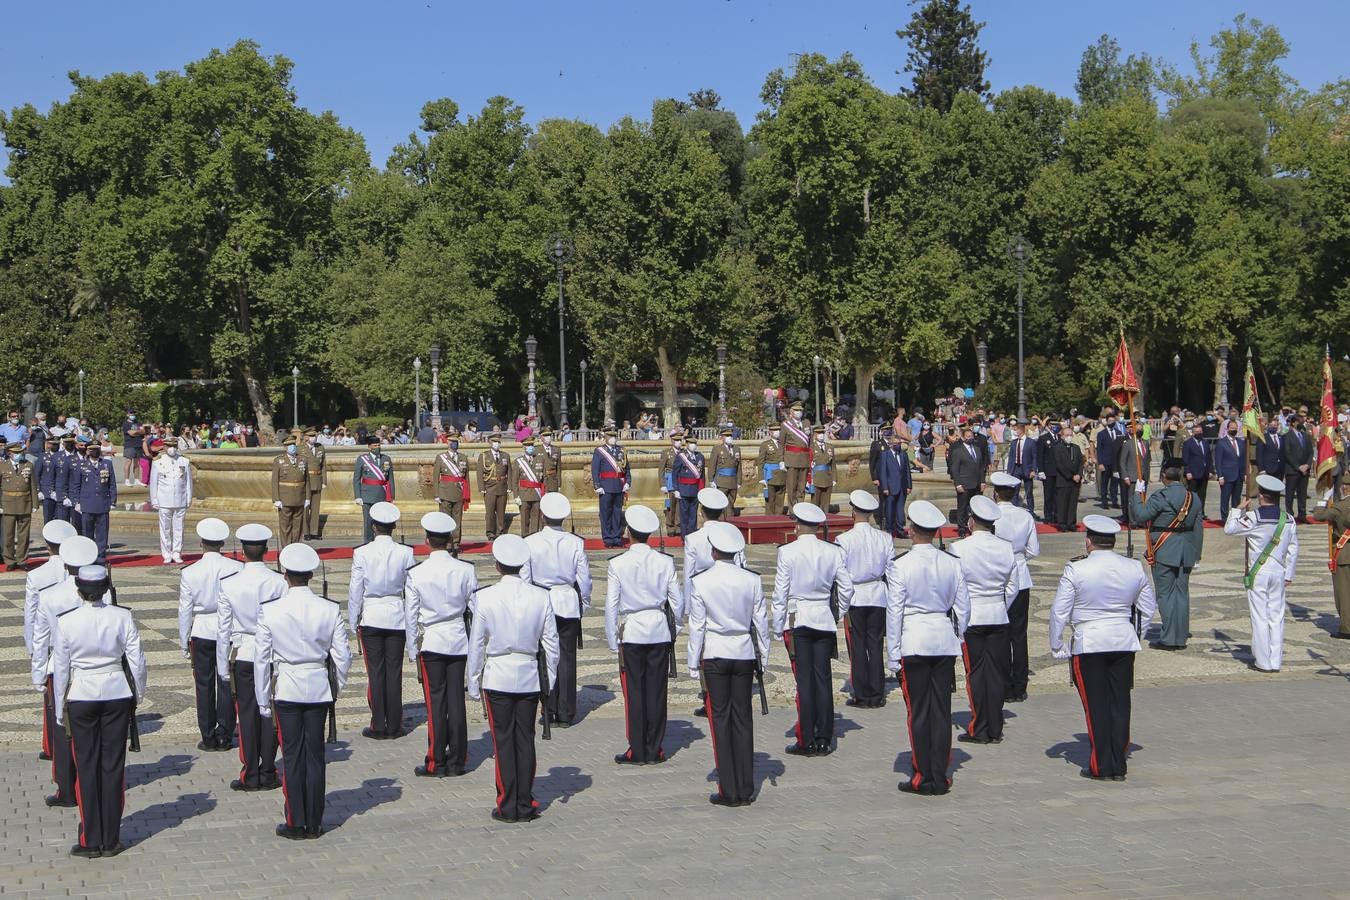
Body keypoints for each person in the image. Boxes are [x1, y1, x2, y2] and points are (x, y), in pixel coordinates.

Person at [1049, 514, 1157, 781]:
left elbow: (1059, 611)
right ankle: (1118, 763)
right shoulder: (1133, 567)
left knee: (1096, 704)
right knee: (1120, 702)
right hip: (1122, 640)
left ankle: (1102, 764)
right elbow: (1148, 608)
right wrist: (1135, 634)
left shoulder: (1076, 569)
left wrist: (1057, 643)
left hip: (1090, 641)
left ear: (1088, 542)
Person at [255, 542, 352, 839]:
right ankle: (314, 820)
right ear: (310, 574)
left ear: (285, 574)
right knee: (315, 755)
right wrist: (335, 686)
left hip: (287, 687)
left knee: (293, 755)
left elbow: (261, 659)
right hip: (318, 686)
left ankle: (296, 820)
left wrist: (262, 700)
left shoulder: (270, 611)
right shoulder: (329, 608)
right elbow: (343, 655)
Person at [52, 563, 146, 858]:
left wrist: (59, 708)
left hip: (81, 694)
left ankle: (90, 839)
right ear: (106, 589)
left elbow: (61, 668)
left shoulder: (66, 622)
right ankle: (111, 839)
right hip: (117, 692)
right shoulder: (122, 616)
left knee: (87, 766)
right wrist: (138, 695)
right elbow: (137, 660)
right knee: (112, 767)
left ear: (79, 590)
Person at [466, 534, 560, 823]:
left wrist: (473, 680)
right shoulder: (541, 596)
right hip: (529, 675)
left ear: (497, 566)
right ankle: (525, 799)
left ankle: (508, 802)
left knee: (503, 742)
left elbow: (477, 644)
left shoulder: (485, 597)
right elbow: (552, 645)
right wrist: (550, 682)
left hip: (498, 677)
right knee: (525, 739)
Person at [886, 500, 970, 795]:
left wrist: (893, 654)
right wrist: (957, 636)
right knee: (941, 710)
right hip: (943, 640)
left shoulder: (900, 565)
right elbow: (964, 609)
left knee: (919, 711)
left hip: (915, 640)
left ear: (910, 530)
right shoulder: (952, 563)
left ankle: (924, 774)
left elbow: (894, 612)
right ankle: (940, 772)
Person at [687, 521, 769, 806]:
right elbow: (761, 624)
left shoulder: (701, 581)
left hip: (715, 652)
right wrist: (764, 658)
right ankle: (745, 788)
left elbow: (697, 626)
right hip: (744, 651)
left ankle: (728, 788)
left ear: (713, 551)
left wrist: (692, 662)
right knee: (743, 719)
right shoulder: (752, 579)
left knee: (721, 720)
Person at [773, 502, 854, 756]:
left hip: (799, 618)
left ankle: (806, 737)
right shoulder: (832, 551)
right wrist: (837, 613)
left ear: (798, 526)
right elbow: (847, 588)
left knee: (804, 681)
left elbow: (780, 593)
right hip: (823, 617)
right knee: (823, 679)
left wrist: (778, 624)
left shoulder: (788, 552)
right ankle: (824, 737)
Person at [605, 505, 682, 764]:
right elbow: (677, 603)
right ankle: (655, 748)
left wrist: (612, 638)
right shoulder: (665, 561)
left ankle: (637, 748)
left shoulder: (618, 563)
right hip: (658, 629)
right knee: (657, 692)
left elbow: (611, 605)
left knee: (635, 693)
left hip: (633, 631)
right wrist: (675, 629)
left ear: (628, 532)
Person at [31, 535, 102, 807]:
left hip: (57, 667)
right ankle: (88, 781)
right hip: (91, 666)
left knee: (62, 731)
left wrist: (38, 674)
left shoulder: (50, 595)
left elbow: (40, 639)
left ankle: (66, 788)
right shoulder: (103, 593)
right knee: (90, 730)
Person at [404, 511, 478, 777]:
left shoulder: (417, 573)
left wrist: (412, 649)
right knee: (456, 699)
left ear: (427, 540)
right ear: (449, 540)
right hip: (457, 637)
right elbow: (475, 610)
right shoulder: (466, 569)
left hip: (432, 639)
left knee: (436, 703)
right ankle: (458, 759)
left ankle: (435, 759)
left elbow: (410, 615)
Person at [217, 523, 287, 791]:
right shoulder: (278, 582)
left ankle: (251, 770)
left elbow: (223, 629)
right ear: (266, 551)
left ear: (242, 552)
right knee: (268, 711)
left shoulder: (230, 584)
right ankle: (268, 768)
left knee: (246, 712)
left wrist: (222, 666)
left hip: (244, 652)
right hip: (271, 653)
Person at [521, 493, 592, 726]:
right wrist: (584, 602)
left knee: (544, 656)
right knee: (567, 657)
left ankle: (548, 707)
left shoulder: (530, 542)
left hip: (542, 600)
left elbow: (525, 578)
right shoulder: (576, 542)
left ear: (542, 515)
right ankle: (566, 712)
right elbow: (584, 579)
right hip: (567, 601)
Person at [950, 495, 1016, 745]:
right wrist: (999, 605)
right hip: (998, 615)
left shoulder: (959, 548)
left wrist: (961, 615)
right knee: (997, 673)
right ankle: (995, 726)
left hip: (972, 616)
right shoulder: (1005, 547)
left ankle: (980, 726)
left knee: (976, 674)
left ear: (971, 522)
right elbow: (1012, 587)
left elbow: (956, 587)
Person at [350, 501, 415, 739]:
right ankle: (395, 724)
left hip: (372, 613)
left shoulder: (362, 552)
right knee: (394, 671)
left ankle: (378, 722)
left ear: (374, 526)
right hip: (396, 613)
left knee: (375, 671)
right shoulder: (405, 552)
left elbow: (355, 589)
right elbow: (411, 590)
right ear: (393, 527)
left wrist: (353, 617)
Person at [179, 517, 243, 750]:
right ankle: (225, 733)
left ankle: (207, 735)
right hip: (229, 629)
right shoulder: (236, 567)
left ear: (201, 544)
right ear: (222, 544)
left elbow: (184, 610)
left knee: (204, 685)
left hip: (202, 629)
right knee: (225, 681)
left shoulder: (190, 572)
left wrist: (183, 641)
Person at [1224, 474, 1299, 672]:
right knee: (1277, 616)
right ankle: (1275, 661)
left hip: (1259, 572)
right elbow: (1293, 548)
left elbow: (1229, 529)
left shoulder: (1255, 517)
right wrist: (1289, 574)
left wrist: (1236, 510)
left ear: (1261, 496)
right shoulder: (1288, 519)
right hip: (1279, 572)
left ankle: (1263, 662)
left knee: (1259, 616)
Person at [1130, 465, 1203, 651]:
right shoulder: (1193, 497)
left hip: (1165, 549)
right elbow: (1198, 528)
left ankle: (1171, 638)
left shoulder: (1161, 497)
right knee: (1182, 594)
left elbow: (1140, 516)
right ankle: (1181, 632)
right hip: (1186, 550)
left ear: (1164, 477)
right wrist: (1196, 555)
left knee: (1166, 595)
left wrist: (1138, 495)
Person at [836, 490, 891, 708]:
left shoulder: (844, 539)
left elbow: (840, 573)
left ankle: (861, 693)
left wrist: (841, 604)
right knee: (876, 644)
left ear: (853, 511)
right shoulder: (884, 538)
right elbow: (890, 570)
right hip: (877, 594)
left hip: (855, 596)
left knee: (857, 645)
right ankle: (877, 692)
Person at [989, 472, 1039, 702]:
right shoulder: (1025, 516)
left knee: (1000, 633)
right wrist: (1018, 558)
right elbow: (1033, 550)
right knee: (1019, 635)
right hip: (1020, 576)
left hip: (997, 575)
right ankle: (1019, 685)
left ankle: (1003, 681)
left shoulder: (992, 516)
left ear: (995, 493)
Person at [1313, 480, 1350, 639]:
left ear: (1344, 488)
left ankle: (1347, 628)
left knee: (1344, 594)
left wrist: (1323, 500)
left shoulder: (1340, 507)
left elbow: (1318, 515)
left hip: (1345, 554)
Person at [148, 436, 192, 564]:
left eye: (174, 446)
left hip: (180, 499)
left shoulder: (184, 461)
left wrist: (188, 498)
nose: (172, 449)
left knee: (179, 528)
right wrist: (154, 500)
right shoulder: (158, 462)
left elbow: (188, 482)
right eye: (169, 446)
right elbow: (154, 483)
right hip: (164, 500)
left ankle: (177, 552)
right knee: (165, 528)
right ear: (164, 447)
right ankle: (166, 553)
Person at [72, 440, 116, 559]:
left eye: (97, 449)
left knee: (102, 533)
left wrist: (113, 501)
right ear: (88, 451)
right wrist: (76, 502)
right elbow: (76, 485)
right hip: (87, 503)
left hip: (102, 502)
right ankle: (88, 556)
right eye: (92, 449)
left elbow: (112, 484)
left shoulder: (107, 464)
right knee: (87, 532)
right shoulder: (81, 465)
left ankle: (101, 556)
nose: (94, 451)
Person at [1, 440, 40, 570]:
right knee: (8, 535)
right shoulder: (2, 466)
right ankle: (10, 560)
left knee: (24, 535)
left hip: (25, 503)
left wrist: (35, 503)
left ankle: (22, 560)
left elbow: (33, 485)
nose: (19, 455)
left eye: (20, 452)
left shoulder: (28, 465)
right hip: (8, 504)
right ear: (9, 453)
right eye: (16, 453)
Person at [591, 427, 630, 548]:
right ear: (606, 438)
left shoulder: (621, 451)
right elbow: (595, 469)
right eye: (611, 436)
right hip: (605, 487)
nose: (613, 439)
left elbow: (627, 468)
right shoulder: (599, 451)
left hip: (619, 486)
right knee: (606, 514)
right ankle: (608, 538)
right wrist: (597, 485)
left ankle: (617, 538)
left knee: (617, 513)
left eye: (614, 436)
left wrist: (628, 482)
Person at [352, 435, 395, 544]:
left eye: (379, 445)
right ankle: (368, 542)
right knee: (368, 522)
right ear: (369, 447)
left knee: (382, 521)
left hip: (382, 494)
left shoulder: (386, 459)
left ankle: (381, 542)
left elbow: (390, 479)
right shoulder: (362, 459)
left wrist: (391, 496)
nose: (377, 447)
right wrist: (358, 496)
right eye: (375, 445)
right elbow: (356, 479)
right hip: (367, 495)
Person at [434, 429, 471, 552]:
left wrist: (467, 493)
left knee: (457, 519)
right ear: (447, 442)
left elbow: (466, 478)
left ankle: (456, 543)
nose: (454, 443)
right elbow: (435, 477)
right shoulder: (441, 457)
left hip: (459, 492)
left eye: (456, 441)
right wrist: (436, 494)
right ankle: (446, 543)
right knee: (445, 519)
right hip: (445, 492)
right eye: (452, 441)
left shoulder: (463, 458)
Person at [270, 435, 309, 548]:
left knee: (298, 525)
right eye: (289, 445)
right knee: (285, 525)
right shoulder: (279, 460)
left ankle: (295, 546)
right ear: (285, 447)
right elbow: (274, 481)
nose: (292, 447)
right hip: (285, 498)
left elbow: (307, 480)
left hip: (300, 497)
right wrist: (276, 499)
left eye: (293, 444)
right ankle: (286, 547)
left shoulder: (303, 459)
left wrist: (307, 498)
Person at [949, 426, 985, 536]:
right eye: (968, 436)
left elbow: (980, 467)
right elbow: (954, 469)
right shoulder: (958, 451)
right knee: (962, 507)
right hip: (964, 483)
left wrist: (982, 481)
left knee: (976, 506)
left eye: (971, 436)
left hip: (977, 483)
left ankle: (976, 526)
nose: (970, 438)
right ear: (963, 438)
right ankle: (961, 528)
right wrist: (958, 483)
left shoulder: (977, 449)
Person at [876, 431, 912, 538]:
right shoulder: (885, 455)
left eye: (900, 443)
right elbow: (882, 472)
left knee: (900, 511)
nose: (899, 446)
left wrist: (909, 486)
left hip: (902, 487)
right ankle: (889, 530)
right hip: (890, 488)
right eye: (897, 444)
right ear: (891, 444)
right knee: (890, 510)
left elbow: (907, 471)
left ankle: (900, 530)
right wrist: (885, 487)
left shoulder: (903, 454)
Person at [1054, 420, 1086, 532]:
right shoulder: (1057, 448)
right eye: (1067, 435)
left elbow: (1081, 463)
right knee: (1063, 502)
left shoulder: (1076, 448)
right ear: (1062, 436)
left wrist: (1079, 475)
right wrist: (1070, 476)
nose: (1069, 437)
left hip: (1075, 480)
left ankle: (1071, 523)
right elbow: (1059, 465)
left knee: (1073, 502)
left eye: (1070, 435)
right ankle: (1062, 523)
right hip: (1064, 479)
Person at [478, 431, 511, 541]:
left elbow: (509, 472)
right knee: (490, 512)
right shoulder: (484, 456)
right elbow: (479, 473)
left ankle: (500, 530)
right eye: (494, 442)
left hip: (502, 486)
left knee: (501, 511)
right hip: (490, 486)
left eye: (498, 442)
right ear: (490, 442)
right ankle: (490, 532)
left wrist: (509, 486)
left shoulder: (505, 455)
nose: (496, 444)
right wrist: (482, 488)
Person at [1280, 415, 1313, 520]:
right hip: (1292, 470)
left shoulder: (1306, 436)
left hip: (1305, 471)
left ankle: (1302, 515)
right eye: (1299, 422)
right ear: (1293, 423)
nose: (1301, 423)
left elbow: (1310, 452)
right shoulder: (1287, 436)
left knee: (1302, 494)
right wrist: (1298, 467)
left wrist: (1307, 465)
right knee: (1290, 494)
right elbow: (1287, 453)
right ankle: (1290, 515)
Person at [1117, 420, 1151, 524]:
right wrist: (1125, 476)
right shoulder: (1128, 444)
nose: (1140, 430)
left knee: (1141, 500)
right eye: (1138, 429)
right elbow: (1122, 462)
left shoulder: (1145, 442)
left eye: (1141, 429)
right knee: (1132, 500)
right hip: (1132, 476)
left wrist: (1147, 475)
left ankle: (1140, 520)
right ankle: (1133, 521)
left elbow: (1147, 460)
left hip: (1143, 476)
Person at [511, 437, 546, 536]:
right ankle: (525, 537)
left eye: (532, 445)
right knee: (525, 519)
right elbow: (514, 481)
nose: (530, 447)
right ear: (524, 447)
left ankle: (535, 536)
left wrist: (544, 493)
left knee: (536, 518)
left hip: (537, 494)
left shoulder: (540, 459)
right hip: (524, 494)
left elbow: (545, 478)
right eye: (528, 446)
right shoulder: (518, 461)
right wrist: (516, 496)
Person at [780, 401, 812, 507]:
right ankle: (793, 509)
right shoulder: (785, 425)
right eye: (797, 410)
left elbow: (810, 442)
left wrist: (812, 458)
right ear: (791, 411)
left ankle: (801, 507)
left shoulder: (807, 422)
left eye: (800, 410)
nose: (799, 412)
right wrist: (781, 460)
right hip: (792, 459)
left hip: (804, 459)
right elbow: (781, 444)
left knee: (802, 487)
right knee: (792, 486)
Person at [1213, 420, 1246, 520]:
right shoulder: (1221, 443)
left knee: (1236, 499)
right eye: (1232, 428)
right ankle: (1225, 519)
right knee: (1225, 498)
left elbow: (1243, 459)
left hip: (1238, 475)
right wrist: (1220, 476)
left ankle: (1235, 518)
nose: (1234, 430)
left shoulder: (1241, 442)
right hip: (1226, 475)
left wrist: (1244, 473)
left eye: (1235, 428)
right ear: (1227, 429)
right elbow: (1218, 461)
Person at [673, 434, 705, 538]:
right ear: (686, 444)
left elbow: (702, 476)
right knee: (684, 515)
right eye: (691, 443)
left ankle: (692, 535)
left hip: (695, 489)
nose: (693, 445)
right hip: (684, 489)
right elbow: (675, 473)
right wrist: (676, 489)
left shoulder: (700, 456)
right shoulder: (681, 456)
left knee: (693, 516)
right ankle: (684, 536)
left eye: (695, 443)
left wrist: (702, 490)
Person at [298, 429, 326, 539]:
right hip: (306, 481)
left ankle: (314, 532)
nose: (313, 437)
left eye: (314, 435)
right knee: (306, 507)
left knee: (315, 507)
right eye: (311, 436)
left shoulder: (320, 447)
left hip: (317, 479)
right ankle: (306, 532)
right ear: (305, 437)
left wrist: (324, 481)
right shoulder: (300, 448)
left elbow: (324, 465)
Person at [1006, 419, 1038, 513]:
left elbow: (1034, 457)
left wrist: (1033, 470)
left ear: (1021, 430)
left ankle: (1031, 511)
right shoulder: (1014, 442)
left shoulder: (1030, 442)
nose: (1015, 432)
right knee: (1015, 491)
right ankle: (1015, 510)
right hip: (1016, 468)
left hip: (1027, 469)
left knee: (1029, 492)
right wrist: (1009, 471)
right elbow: (1011, 457)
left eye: (1016, 430)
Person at [1182, 421, 1212, 520]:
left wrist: (1211, 470)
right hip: (1193, 473)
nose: (1199, 433)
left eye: (1200, 431)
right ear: (1193, 432)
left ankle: (1201, 513)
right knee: (1191, 495)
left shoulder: (1205, 442)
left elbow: (1208, 457)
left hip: (1204, 473)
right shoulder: (1188, 443)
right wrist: (1187, 472)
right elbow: (1185, 459)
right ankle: (1190, 513)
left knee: (1202, 495)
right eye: (1197, 432)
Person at [708, 427, 742, 512]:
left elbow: (739, 466)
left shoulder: (736, 449)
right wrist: (711, 480)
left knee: (731, 504)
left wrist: (739, 481)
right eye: (727, 435)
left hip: (733, 481)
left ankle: (730, 521)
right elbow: (712, 465)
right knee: (721, 504)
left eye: (730, 435)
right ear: (722, 437)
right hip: (721, 481)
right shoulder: (717, 449)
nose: (729, 437)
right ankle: (721, 522)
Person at [659, 429, 684, 537]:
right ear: (672, 441)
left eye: (680, 440)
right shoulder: (666, 453)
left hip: (680, 480)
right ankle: (670, 526)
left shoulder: (683, 452)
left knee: (679, 505)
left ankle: (678, 526)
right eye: (677, 440)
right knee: (670, 505)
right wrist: (662, 484)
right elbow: (661, 469)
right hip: (670, 481)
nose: (679, 442)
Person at [808, 425, 836, 510]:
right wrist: (808, 479)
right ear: (815, 434)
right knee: (815, 503)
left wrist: (834, 478)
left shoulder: (830, 447)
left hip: (827, 477)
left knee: (826, 503)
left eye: (823, 433)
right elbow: (808, 464)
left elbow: (833, 464)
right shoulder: (811, 447)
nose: (821, 435)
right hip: (815, 477)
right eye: (819, 433)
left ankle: (825, 520)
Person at [539, 427, 563, 495]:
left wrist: (559, 484)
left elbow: (558, 468)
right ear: (541, 437)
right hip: (542, 480)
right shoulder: (537, 449)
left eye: (549, 435)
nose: (548, 437)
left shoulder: (556, 449)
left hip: (553, 481)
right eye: (546, 436)